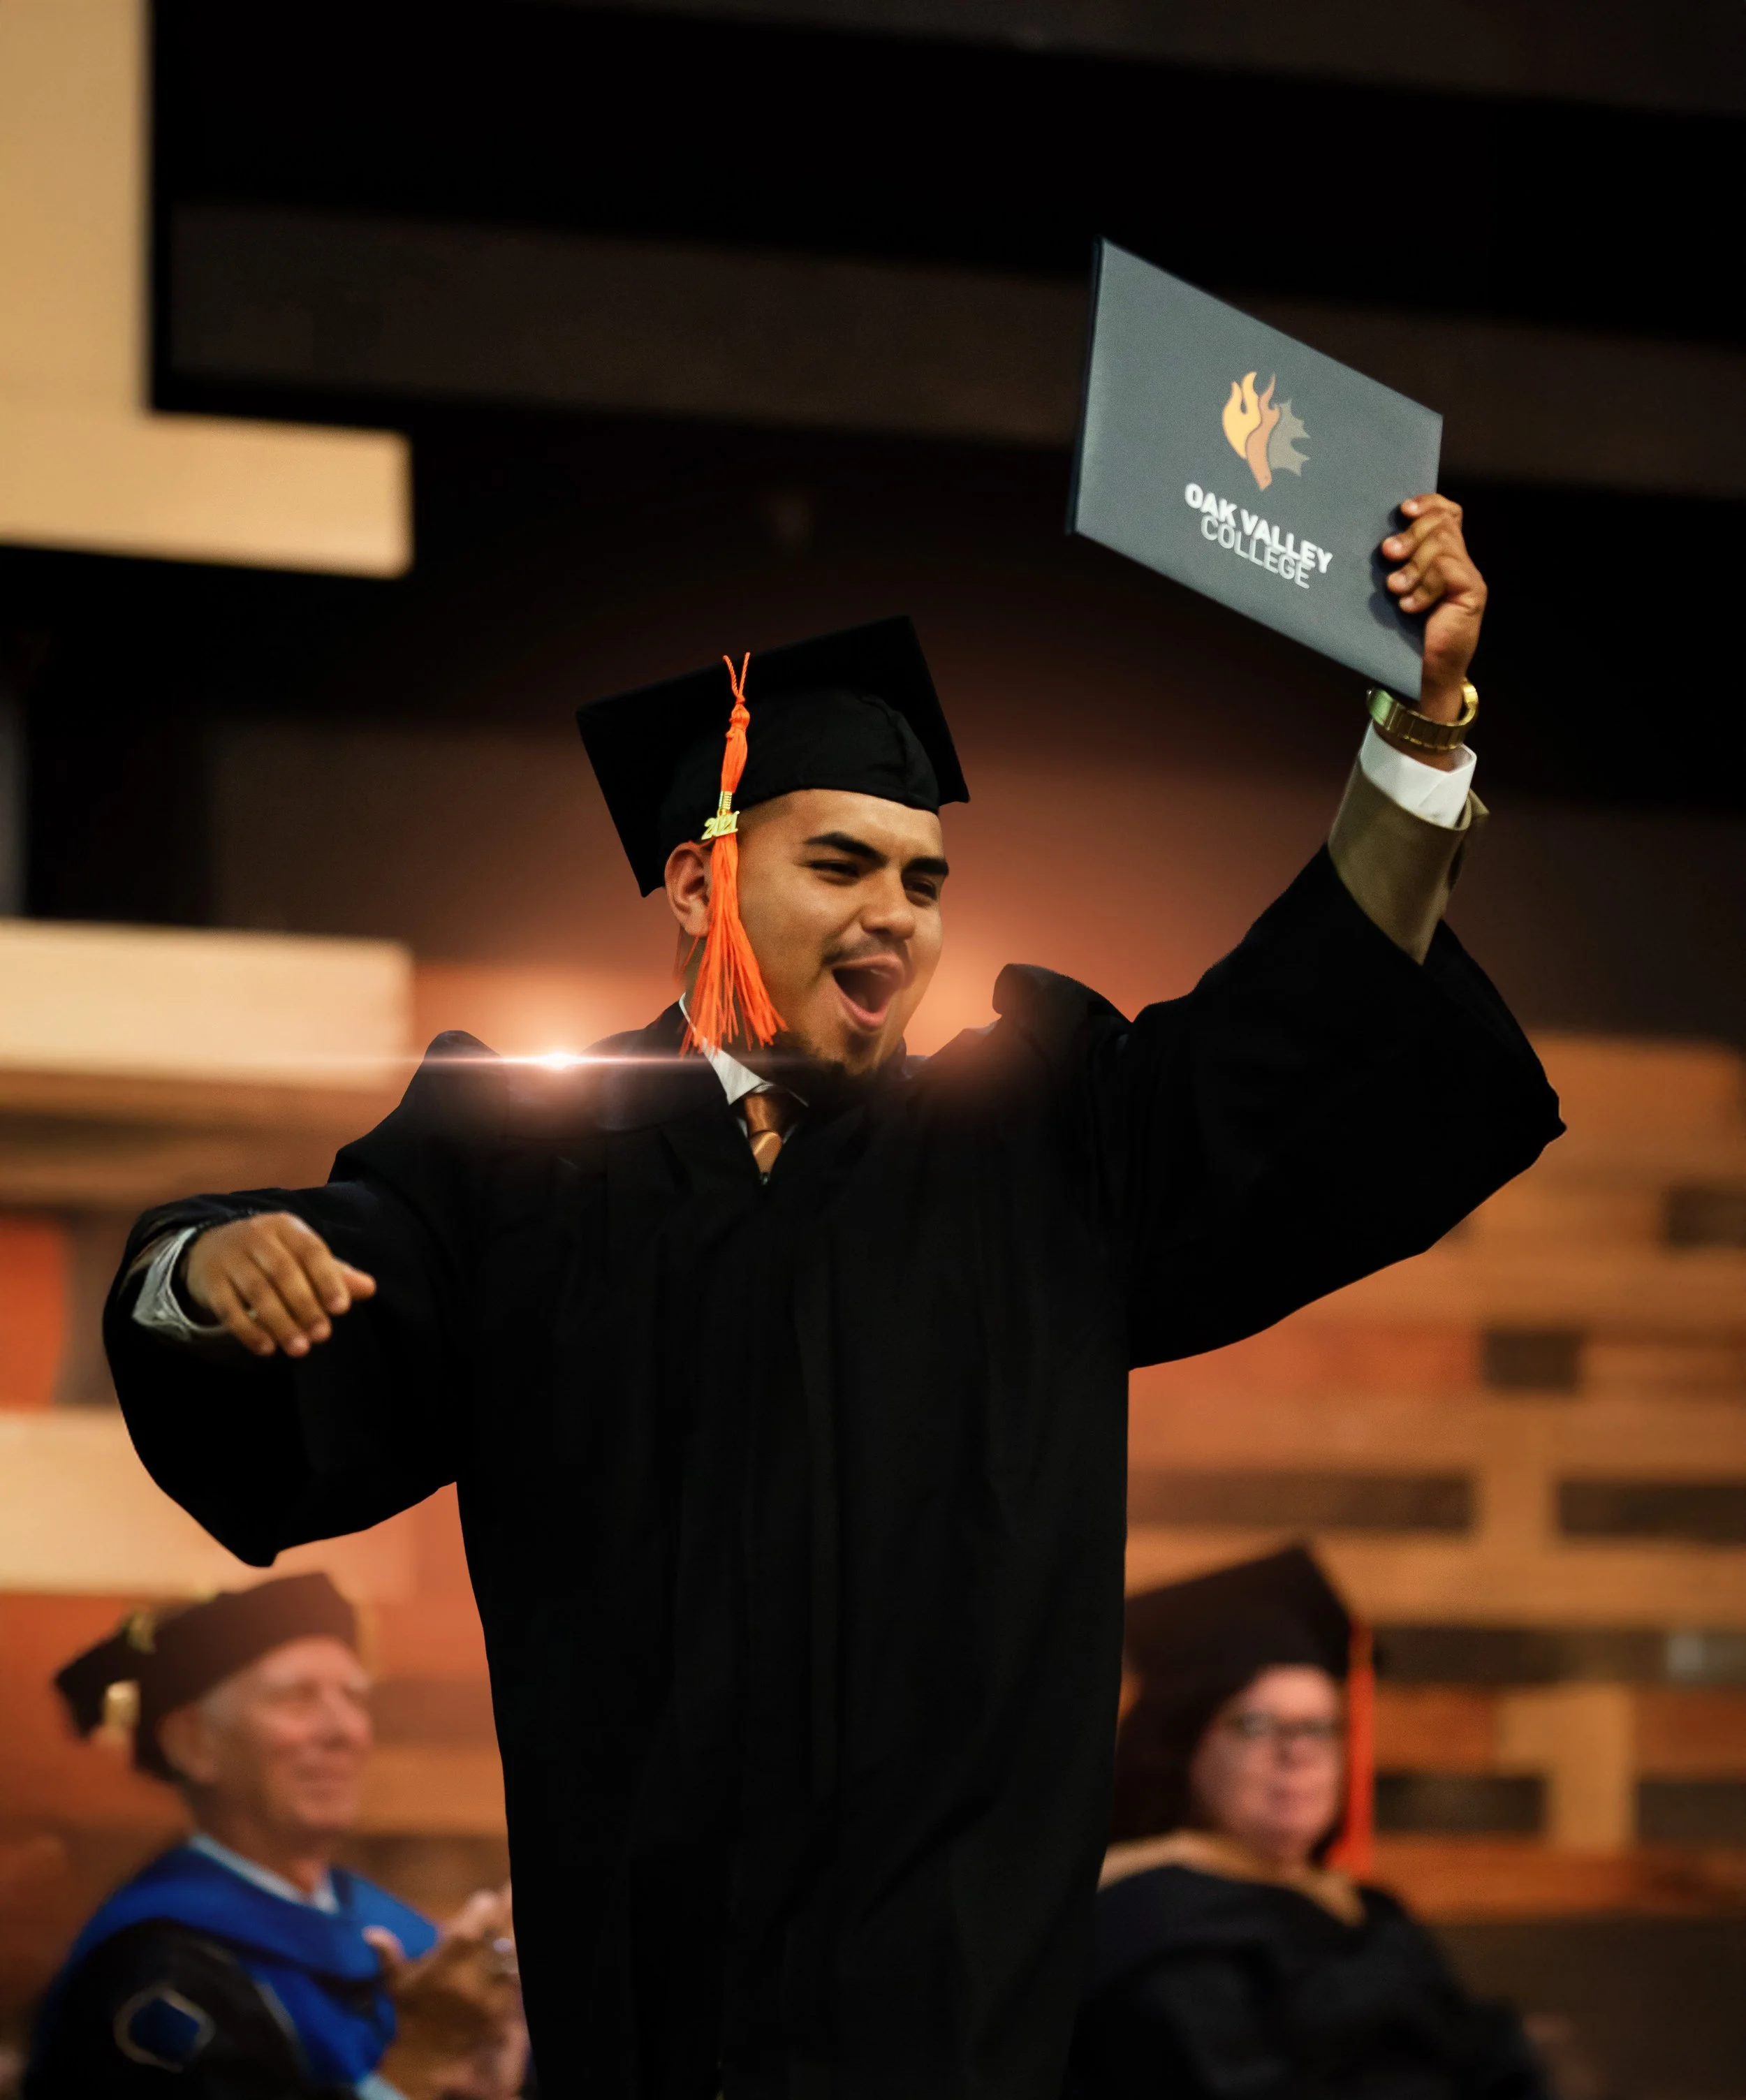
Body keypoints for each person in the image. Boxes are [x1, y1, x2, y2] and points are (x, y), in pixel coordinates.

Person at [101, 499, 1562, 2099]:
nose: (899, 914)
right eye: (843, 862)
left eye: (927, 878)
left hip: (950, 2013)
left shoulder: (1040, 1143)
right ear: (694, 882)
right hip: (652, 1995)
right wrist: (199, 1272)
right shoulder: (519, 1158)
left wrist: (1422, 727)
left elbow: (1296, 1030)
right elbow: (339, 1289)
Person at [1067, 1546, 1552, 2100]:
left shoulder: (1369, 1912)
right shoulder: (1150, 1924)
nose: (1298, 1753)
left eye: (1321, 1727)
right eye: (1255, 1724)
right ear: (1182, 1746)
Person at [26, 1573, 526, 2100]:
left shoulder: (399, 1933)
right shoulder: (152, 1975)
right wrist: (414, 2070)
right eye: (298, 1696)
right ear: (194, 1742)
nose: (345, 1730)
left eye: (355, 1696)